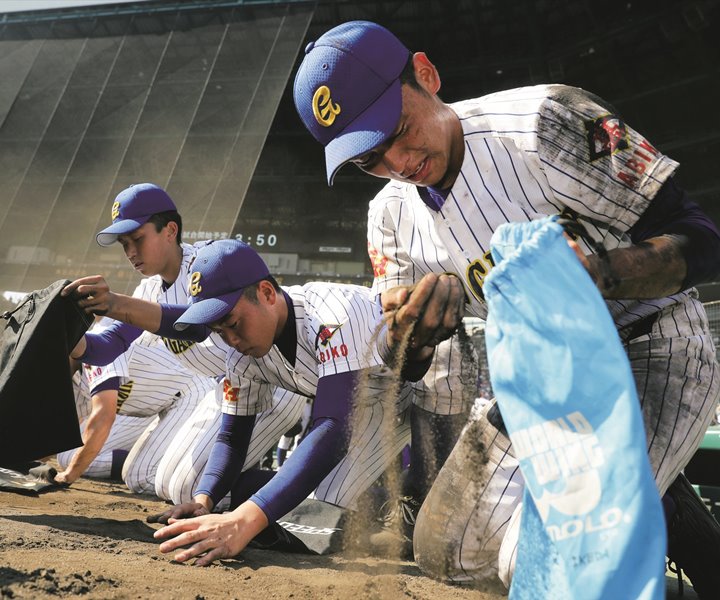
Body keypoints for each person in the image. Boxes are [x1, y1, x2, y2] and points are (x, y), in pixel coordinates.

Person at [293, 20, 720, 596]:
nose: (397, 161)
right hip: (536, 379)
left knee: (552, 553)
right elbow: (406, 361)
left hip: (650, 345)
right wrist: (415, 336)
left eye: (397, 129)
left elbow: (701, 236)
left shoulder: (545, 122)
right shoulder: (390, 214)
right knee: (446, 547)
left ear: (426, 75)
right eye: (369, 157)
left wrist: (595, 276)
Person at [65, 239, 417, 565]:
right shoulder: (242, 356)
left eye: (233, 323)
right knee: (319, 512)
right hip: (365, 408)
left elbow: (333, 425)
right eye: (219, 331)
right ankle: (378, 499)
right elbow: (232, 437)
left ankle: (409, 495)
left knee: (326, 516)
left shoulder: (331, 312)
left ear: (266, 293)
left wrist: (244, 520)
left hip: (419, 395)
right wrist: (204, 500)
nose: (230, 339)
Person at [68, 183, 306, 504]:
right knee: (148, 479)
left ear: (170, 230)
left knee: (185, 492)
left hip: (270, 383)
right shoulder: (150, 289)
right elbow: (111, 345)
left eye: (138, 239)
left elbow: (194, 326)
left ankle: (307, 495)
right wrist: (68, 338)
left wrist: (114, 303)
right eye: (124, 244)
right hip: (226, 388)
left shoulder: (206, 266)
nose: (130, 252)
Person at [58, 320, 214, 491]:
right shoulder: (69, 377)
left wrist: (69, 475)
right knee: (66, 455)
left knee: (141, 476)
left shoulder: (96, 344)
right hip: (147, 411)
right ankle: (159, 453)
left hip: (189, 392)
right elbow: (59, 435)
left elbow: (103, 417)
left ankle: (212, 483)